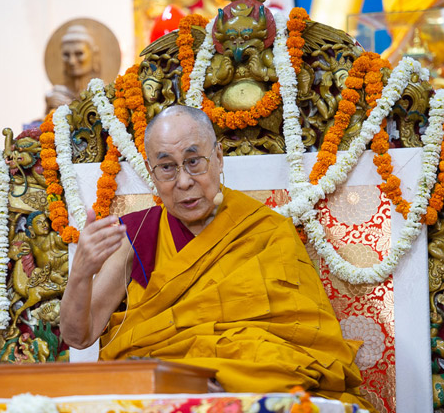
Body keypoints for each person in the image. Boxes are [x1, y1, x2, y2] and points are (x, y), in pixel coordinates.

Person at [59, 106, 370, 407]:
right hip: (164, 387)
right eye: (167, 167)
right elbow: (79, 335)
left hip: (246, 380)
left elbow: (305, 342)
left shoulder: (267, 231)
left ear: (219, 158)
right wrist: (82, 272)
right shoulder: (138, 234)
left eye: (194, 161)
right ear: (151, 172)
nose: (183, 181)